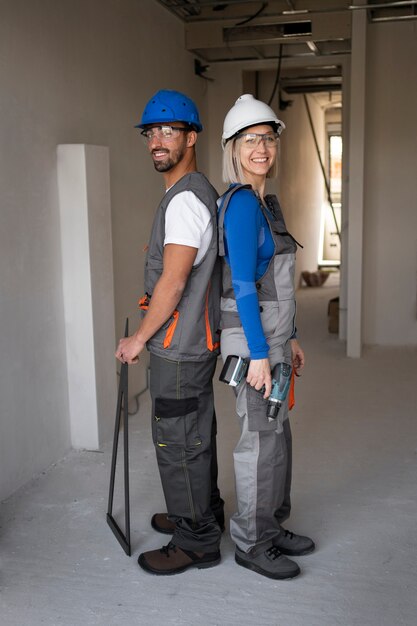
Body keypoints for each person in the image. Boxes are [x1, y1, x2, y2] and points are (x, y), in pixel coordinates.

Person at [115, 89, 224, 575]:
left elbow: (175, 279)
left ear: (191, 137)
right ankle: (202, 512)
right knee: (196, 433)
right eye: (151, 132)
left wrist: (139, 338)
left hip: (178, 348)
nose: (157, 140)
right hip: (193, 342)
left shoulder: (184, 202)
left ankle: (196, 540)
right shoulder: (195, 191)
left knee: (177, 440)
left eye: (168, 131)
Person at [217, 94, 315, 580]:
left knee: (278, 436)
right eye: (251, 139)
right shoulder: (239, 206)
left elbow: (273, 281)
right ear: (233, 148)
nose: (262, 148)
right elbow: (240, 285)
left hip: (274, 341)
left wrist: (291, 336)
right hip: (253, 345)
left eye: (268, 138)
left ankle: (272, 527)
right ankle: (251, 542)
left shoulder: (264, 203)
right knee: (259, 439)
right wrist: (259, 354)